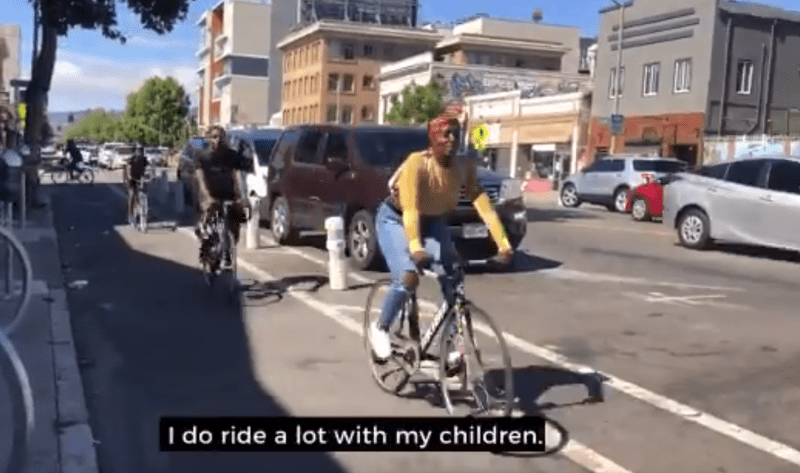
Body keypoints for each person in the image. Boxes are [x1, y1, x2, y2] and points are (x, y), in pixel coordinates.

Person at [370, 102, 514, 360]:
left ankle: (451, 345)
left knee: (454, 279)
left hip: (433, 221)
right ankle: (380, 327)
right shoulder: (417, 163)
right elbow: (411, 209)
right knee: (407, 277)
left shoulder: (464, 167)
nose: (452, 140)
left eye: (456, 135)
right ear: (433, 137)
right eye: (446, 134)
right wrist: (416, 247)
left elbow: (485, 208)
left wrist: (503, 244)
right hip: (396, 219)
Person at [192, 125, 251, 267]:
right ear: (208, 139)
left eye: (220, 137)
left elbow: (238, 175)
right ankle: (207, 242)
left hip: (228, 194)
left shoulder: (231, 155)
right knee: (209, 214)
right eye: (213, 137)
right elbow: (200, 179)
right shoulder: (203, 156)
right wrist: (207, 196)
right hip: (209, 194)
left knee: (236, 221)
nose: (217, 140)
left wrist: (244, 197)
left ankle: (228, 247)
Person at [124, 145, 149, 221]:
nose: (140, 152)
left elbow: (149, 167)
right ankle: (130, 214)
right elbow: (127, 168)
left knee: (143, 193)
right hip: (133, 179)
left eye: (141, 150)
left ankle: (143, 208)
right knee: (132, 195)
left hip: (141, 178)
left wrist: (150, 175)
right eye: (138, 150)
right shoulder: (132, 159)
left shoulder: (144, 159)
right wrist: (129, 177)